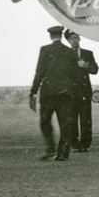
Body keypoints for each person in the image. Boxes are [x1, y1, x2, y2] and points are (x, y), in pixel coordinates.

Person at [29, 25, 78, 161]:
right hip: (65, 93)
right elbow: (75, 74)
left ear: (51, 36)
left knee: (45, 120)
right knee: (65, 123)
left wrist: (33, 91)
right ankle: (63, 153)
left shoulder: (44, 50)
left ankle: (50, 148)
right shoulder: (70, 52)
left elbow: (39, 73)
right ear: (61, 36)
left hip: (48, 92)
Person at [64, 29, 98, 152]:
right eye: (72, 38)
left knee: (85, 120)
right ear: (68, 40)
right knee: (72, 120)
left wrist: (86, 65)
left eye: (77, 38)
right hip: (71, 92)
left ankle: (85, 144)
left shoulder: (88, 53)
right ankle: (75, 144)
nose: (75, 40)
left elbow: (95, 70)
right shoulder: (65, 54)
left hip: (84, 91)